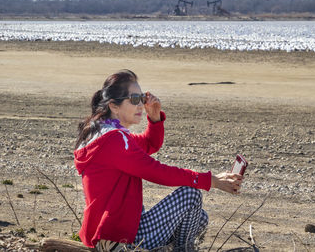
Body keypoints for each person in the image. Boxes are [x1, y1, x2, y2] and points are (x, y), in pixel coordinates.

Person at [74, 69, 243, 251]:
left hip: (120, 229)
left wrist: (154, 118)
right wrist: (210, 181)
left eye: (142, 98)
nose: (140, 105)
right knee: (191, 196)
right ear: (114, 106)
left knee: (199, 217)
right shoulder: (113, 141)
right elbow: (158, 172)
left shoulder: (103, 134)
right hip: (117, 238)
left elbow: (149, 144)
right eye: (134, 99)